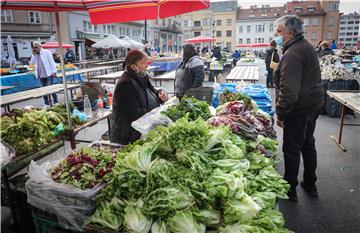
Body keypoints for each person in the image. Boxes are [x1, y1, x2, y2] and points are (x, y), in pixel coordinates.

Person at [273, 15, 324, 201]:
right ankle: (310, 184)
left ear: (291, 33)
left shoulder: (293, 53)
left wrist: (281, 114)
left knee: (292, 148)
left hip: (300, 108)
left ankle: (290, 188)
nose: (276, 34)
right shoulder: (305, 46)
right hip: (313, 104)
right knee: (308, 144)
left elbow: (289, 92)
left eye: (279, 31)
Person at [110, 49, 168, 145]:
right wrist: (157, 117)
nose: (147, 65)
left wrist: (159, 93)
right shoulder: (125, 84)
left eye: (146, 62)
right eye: (143, 63)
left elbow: (151, 90)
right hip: (127, 136)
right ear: (133, 66)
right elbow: (133, 113)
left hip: (139, 130)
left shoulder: (141, 76)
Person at [30, 41, 58, 108]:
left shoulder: (46, 52)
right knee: (43, 90)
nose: (35, 49)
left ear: (40, 46)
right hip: (40, 75)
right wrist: (33, 55)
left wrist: (54, 71)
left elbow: (52, 62)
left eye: (36, 47)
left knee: (50, 88)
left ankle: (56, 102)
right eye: (33, 47)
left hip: (48, 74)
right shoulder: (35, 54)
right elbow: (31, 63)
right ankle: (46, 103)